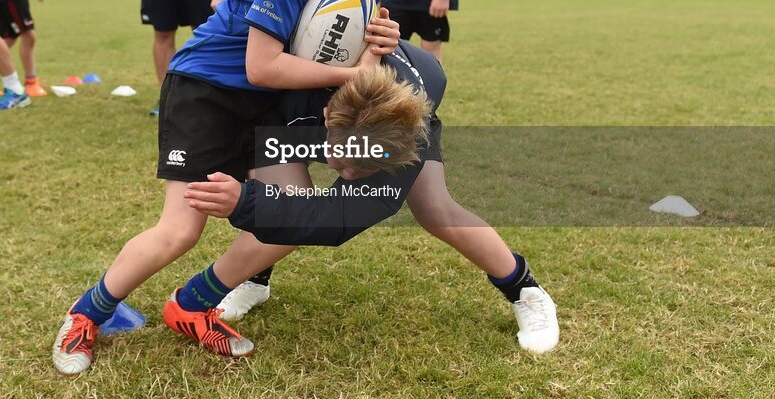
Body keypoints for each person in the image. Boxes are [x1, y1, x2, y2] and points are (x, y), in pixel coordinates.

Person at [51, 0, 428, 375]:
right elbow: (262, 65)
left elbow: (351, 64)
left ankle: (191, 304)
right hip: (207, 91)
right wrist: (356, 71)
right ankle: (87, 313)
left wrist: (377, 45)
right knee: (181, 230)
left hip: (266, 105)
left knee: (292, 216)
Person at [184, 41, 559, 355]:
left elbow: (333, 220)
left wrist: (243, 203)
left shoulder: (402, 138)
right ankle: (255, 278)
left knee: (435, 209)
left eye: (360, 172)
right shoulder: (288, 91)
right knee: (284, 203)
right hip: (291, 120)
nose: (346, 178)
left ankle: (525, 289)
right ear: (328, 117)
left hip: (392, 125)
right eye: (345, 165)